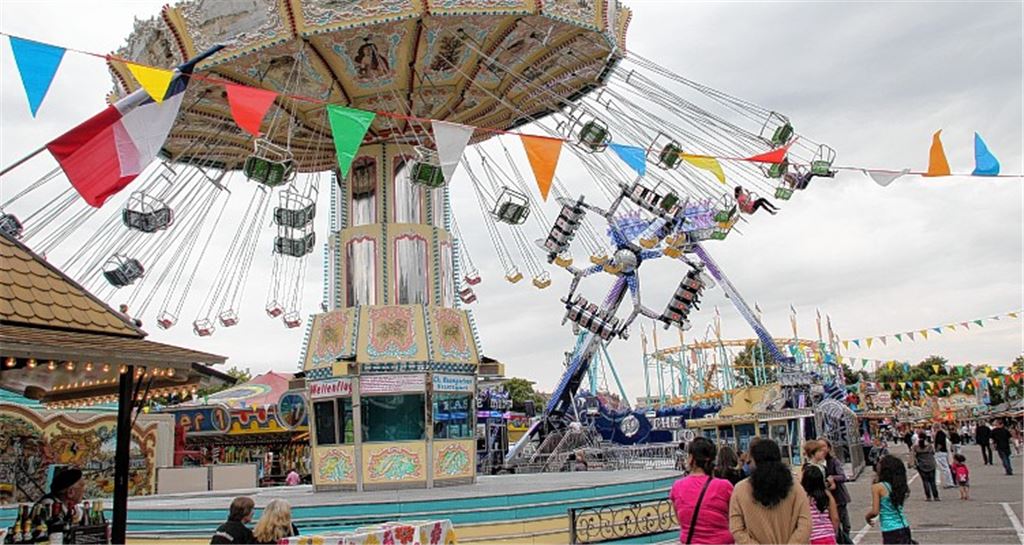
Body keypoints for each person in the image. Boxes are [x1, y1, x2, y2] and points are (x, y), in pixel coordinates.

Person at [728, 438, 811, 544]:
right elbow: (805, 524)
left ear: (755, 461)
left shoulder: (740, 490)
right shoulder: (795, 487)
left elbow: (736, 529)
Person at [668, 437, 735, 544]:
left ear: (691, 458)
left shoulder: (677, 487)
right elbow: (735, 519)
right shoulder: (724, 486)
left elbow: (681, 521)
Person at [865, 455, 914, 544]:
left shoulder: (878, 487)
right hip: (904, 526)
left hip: (889, 529)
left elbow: (875, 511)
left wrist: (867, 517)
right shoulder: (899, 486)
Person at [821, 439, 851, 542]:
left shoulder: (833, 462)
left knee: (846, 525)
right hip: (827, 500)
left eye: (823, 446)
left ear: (829, 448)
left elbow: (843, 477)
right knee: (836, 526)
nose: (821, 450)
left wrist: (832, 478)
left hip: (839, 498)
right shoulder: (817, 464)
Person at [801, 465, 839, 545]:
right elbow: (835, 518)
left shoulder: (804, 497)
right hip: (829, 536)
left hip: (812, 538)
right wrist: (833, 532)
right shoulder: (827, 495)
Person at [911, 435, 939, 501]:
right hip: (931, 464)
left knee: (925, 481)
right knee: (932, 481)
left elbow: (913, 454)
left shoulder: (916, 448)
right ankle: (936, 496)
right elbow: (933, 453)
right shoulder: (929, 447)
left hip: (921, 465)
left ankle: (928, 497)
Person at [932, 423, 955, 488]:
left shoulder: (940, 433)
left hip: (941, 452)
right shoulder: (943, 433)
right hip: (943, 452)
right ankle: (949, 482)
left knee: (944, 467)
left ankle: (949, 482)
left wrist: (936, 450)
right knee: (944, 467)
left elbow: (939, 443)